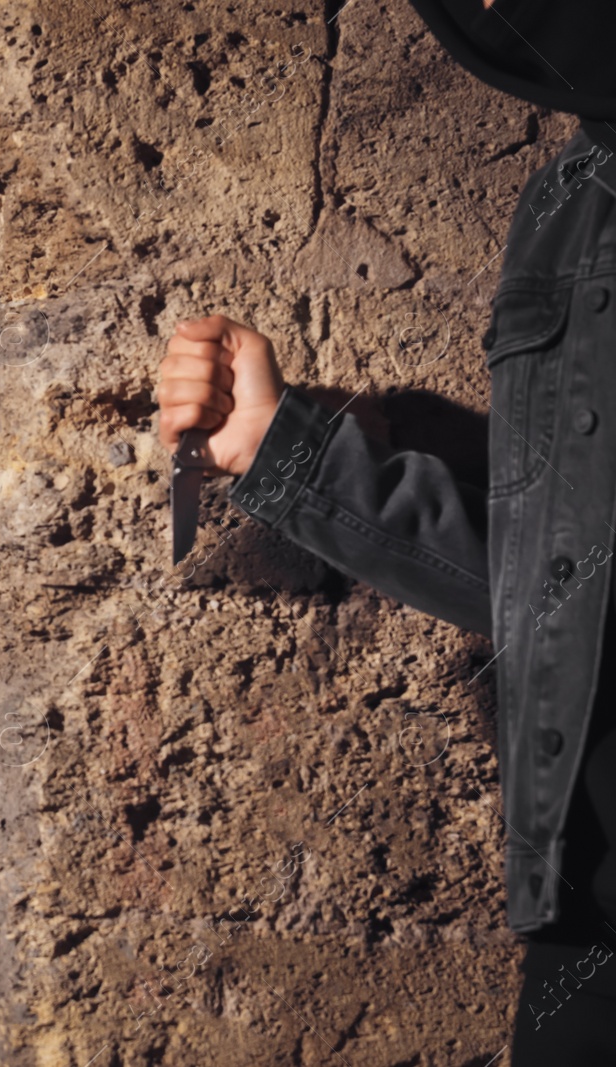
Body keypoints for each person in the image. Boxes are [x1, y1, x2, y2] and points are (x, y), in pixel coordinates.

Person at [156, 3, 616, 1061]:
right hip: (581, 912)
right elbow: (562, 551)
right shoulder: (565, 193)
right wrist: (298, 441)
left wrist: (305, 460)